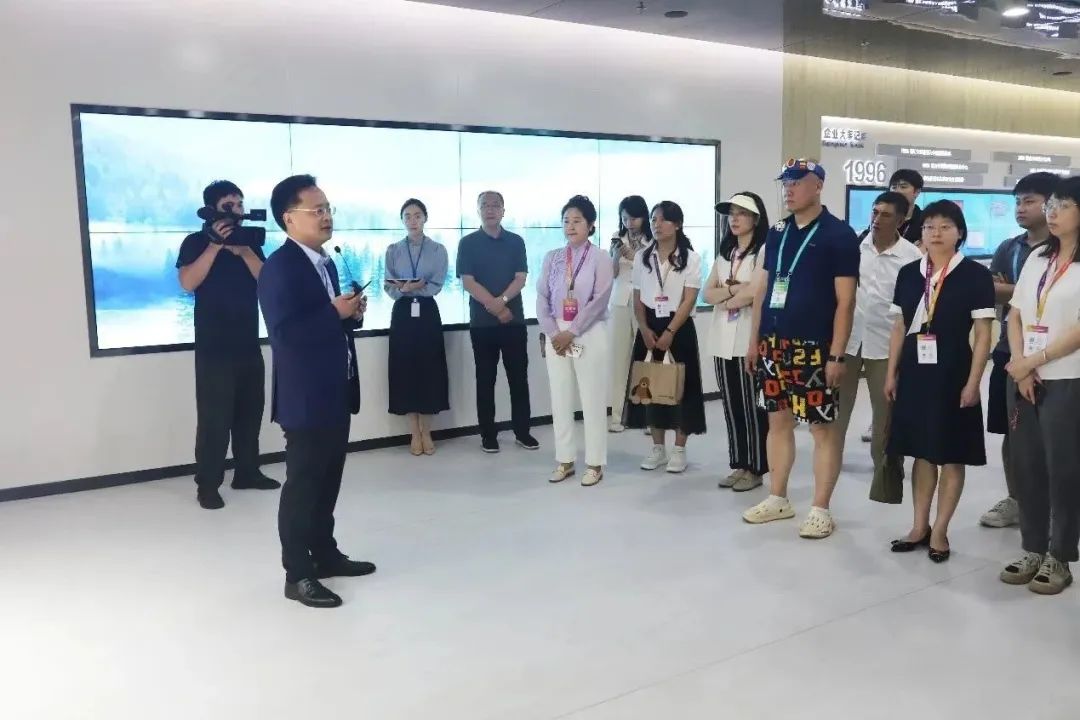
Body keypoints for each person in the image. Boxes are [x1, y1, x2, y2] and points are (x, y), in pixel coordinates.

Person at [258, 174, 376, 608]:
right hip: (305, 397)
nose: (326, 216)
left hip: (335, 390)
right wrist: (332, 312)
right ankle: (298, 574)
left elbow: (326, 323)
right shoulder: (280, 267)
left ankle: (325, 555)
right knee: (303, 487)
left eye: (328, 209)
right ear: (289, 218)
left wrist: (350, 315)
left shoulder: (324, 262)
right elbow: (285, 335)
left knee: (328, 483)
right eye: (317, 210)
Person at [743, 159, 859, 539]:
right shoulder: (777, 232)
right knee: (777, 421)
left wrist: (836, 354)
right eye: (786, 183)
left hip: (814, 347)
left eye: (797, 182)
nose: (788, 189)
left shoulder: (838, 235)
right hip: (774, 343)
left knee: (821, 428)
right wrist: (754, 341)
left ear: (818, 186)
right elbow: (763, 289)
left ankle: (821, 508)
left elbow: (846, 301)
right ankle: (778, 497)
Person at [885, 200, 995, 563]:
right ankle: (919, 526)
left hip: (953, 372)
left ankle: (941, 530)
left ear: (959, 232)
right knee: (921, 451)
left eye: (945, 226)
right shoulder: (908, 273)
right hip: (915, 372)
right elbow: (899, 326)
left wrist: (973, 382)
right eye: (930, 226)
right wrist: (892, 372)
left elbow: (983, 334)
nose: (936, 233)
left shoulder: (975, 275)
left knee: (951, 453)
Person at [176, 180, 278, 510]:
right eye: (228, 205)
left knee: (250, 413)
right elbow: (188, 282)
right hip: (213, 348)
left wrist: (244, 251)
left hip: (248, 342)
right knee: (214, 419)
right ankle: (208, 485)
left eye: (240, 203)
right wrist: (215, 246)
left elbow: (268, 282)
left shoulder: (249, 243)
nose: (236, 210)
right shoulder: (195, 242)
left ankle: (247, 473)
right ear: (212, 210)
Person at [1000, 177, 1080, 595]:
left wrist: (1034, 361)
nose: (1052, 212)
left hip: (1068, 379)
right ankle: (1032, 547)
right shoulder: (1037, 257)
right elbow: (1015, 313)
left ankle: (1060, 555)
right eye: (1051, 205)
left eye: (1063, 205)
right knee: (1027, 465)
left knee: (1063, 469)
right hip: (1024, 377)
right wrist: (1021, 365)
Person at [980, 172, 1060, 528]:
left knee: (1058, 433)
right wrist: (1022, 291)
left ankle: (1058, 503)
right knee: (1014, 432)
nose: (1020, 209)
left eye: (1029, 201)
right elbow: (991, 290)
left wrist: (1012, 290)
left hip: (1057, 355)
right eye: (1017, 202)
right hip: (1009, 351)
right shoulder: (1009, 248)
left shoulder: (1068, 250)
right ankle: (1017, 498)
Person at [836, 191, 922, 503]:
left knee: (885, 414)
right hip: (848, 341)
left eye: (885, 214)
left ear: (901, 220)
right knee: (836, 410)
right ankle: (829, 463)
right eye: (874, 212)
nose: (877, 219)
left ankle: (885, 473)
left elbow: (914, 307)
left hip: (886, 345)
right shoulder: (855, 247)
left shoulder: (912, 257)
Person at [537, 196, 614, 487]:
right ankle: (565, 460)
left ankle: (595, 463)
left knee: (592, 398)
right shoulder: (553, 257)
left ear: (591, 225)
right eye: (566, 221)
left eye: (577, 220)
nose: (570, 226)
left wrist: (573, 330)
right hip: (556, 333)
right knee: (560, 397)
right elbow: (541, 296)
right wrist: (553, 332)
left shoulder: (600, 257)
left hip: (588, 331)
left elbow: (600, 299)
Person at [625, 201, 707, 472]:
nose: (656, 225)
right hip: (649, 326)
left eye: (662, 220)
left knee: (682, 387)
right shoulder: (642, 256)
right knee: (649, 386)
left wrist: (671, 331)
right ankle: (657, 448)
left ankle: (679, 449)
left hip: (678, 327)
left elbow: (689, 299)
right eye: (653, 219)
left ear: (677, 224)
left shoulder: (691, 258)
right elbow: (637, 298)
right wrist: (644, 328)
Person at [457, 191, 539, 454]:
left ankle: (522, 432)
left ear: (504, 210)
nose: (490, 210)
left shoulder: (515, 241)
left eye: (495, 205)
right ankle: (488, 435)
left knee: (519, 379)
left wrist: (501, 301)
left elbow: (521, 278)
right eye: (485, 205)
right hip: (482, 325)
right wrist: (495, 307)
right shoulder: (468, 243)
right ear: (478, 210)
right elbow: (468, 281)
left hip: (513, 322)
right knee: (485, 380)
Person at [704, 192, 770, 492]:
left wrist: (727, 297)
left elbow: (756, 292)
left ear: (755, 218)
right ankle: (739, 464)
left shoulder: (763, 251)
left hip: (747, 338)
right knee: (731, 407)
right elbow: (707, 294)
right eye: (731, 213)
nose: (734, 219)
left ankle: (755, 468)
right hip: (722, 340)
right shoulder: (725, 254)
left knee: (751, 407)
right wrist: (734, 291)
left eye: (741, 213)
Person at [384, 198, 450, 456]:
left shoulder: (438, 249)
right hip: (402, 311)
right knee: (405, 370)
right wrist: (405, 289)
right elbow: (388, 285)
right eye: (407, 216)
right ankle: (414, 432)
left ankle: (427, 432)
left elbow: (437, 283)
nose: (413, 220)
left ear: (425, 218)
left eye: (417, 215)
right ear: (402, 220)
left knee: (429, 368)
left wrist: (416, 288)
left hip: (427, 312)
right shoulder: (393, 250)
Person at [608, 195, 652, 433]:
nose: (629, 223)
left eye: (633, 218)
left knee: (646, 358)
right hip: (619, 302)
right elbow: (611, 274)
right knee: (619, 360)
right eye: (625, 218)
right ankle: (617, 416)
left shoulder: (652, 240)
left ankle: (650, 417)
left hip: (645, 301)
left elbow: (654, 272)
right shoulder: (617, 238)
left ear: (643, 217)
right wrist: (616, 255)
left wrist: (635, 257)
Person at [889, 169, 925, 245]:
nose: (897, 191)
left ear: (917, 192)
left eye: (903, 187)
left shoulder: (925, 220)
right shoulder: (882, 217)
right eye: (894, 187)